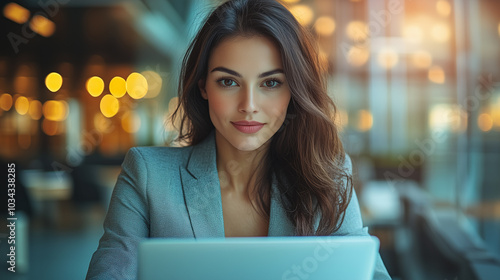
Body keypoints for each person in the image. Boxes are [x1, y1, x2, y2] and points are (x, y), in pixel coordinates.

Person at [86, 0, 391, 279]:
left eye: (271, 83)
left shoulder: (326, 177)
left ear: (293, 92)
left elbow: (370, 274)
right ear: (204, 86)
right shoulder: (147, 175)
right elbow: (111, 272)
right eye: (228, 82)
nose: (248, 105)